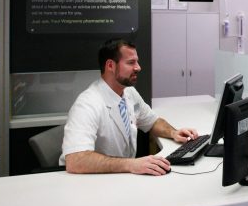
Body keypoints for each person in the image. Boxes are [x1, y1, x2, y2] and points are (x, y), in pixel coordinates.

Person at [60, 39, 198, 175]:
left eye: (136, 61)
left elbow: (152, 121)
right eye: (131, 62)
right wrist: (131, 164)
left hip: (120, 176)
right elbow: (75, 161)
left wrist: (173, 133)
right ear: (110, 66)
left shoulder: (128, 92)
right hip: (89, 183)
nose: (138, 67)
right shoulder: (87, 104)